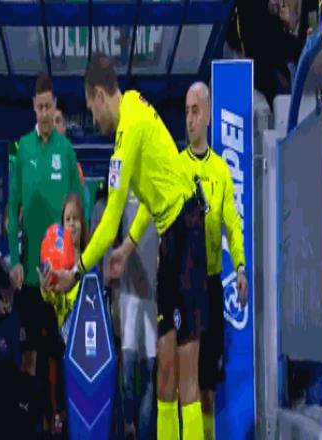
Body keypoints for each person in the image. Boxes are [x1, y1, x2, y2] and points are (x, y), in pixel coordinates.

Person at [54, 53, 207, 440]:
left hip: (187, 231)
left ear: (99, 95)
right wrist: (127, 248)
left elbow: (109, 221)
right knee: (165, 374)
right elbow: (154, 195)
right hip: (171, 236)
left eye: (91, 108)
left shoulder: (129, 131)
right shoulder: (135, 106)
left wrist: (76, 271)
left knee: (186, 375)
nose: (93, 119)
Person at [7, 72, 85, 435]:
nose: (43, 114)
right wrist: (14, 261)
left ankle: (63, 423)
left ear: (55, 106)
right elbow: (12, 210)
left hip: (62, 279)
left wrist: (77, 256)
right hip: (30, 278)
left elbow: (81, 206)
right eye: (39, 107)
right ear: (33, 107)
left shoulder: (65, 152)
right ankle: (30, 425)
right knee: (30, 357)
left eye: (48, 107)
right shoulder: (22, 149)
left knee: (61, 355)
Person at [180, 82, 248, 440]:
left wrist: (240, 267)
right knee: (185, 387)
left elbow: (233, 226)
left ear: (207, 116)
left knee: (207, 388)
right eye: (186, 111)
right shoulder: (176, 167)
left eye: (195, 111)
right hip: (183, 288)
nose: (190, 119)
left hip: (209, 286)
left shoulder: (221, 170)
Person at [39, 192, 89, 438]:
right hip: (63, 350)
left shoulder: (89, 259)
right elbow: (50, 297)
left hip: (87, 350)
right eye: (67, 219)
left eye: (75, 219)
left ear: (82, 223)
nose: (72, 224)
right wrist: (45, 287)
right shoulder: (55, 259)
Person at [118, 191, 158, 440]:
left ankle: (143, 431)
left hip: (153, 299)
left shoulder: (160, 190)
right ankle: (128, 424)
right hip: (128, 297)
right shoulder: (125, 188)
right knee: (128, 370)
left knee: (148, 370)